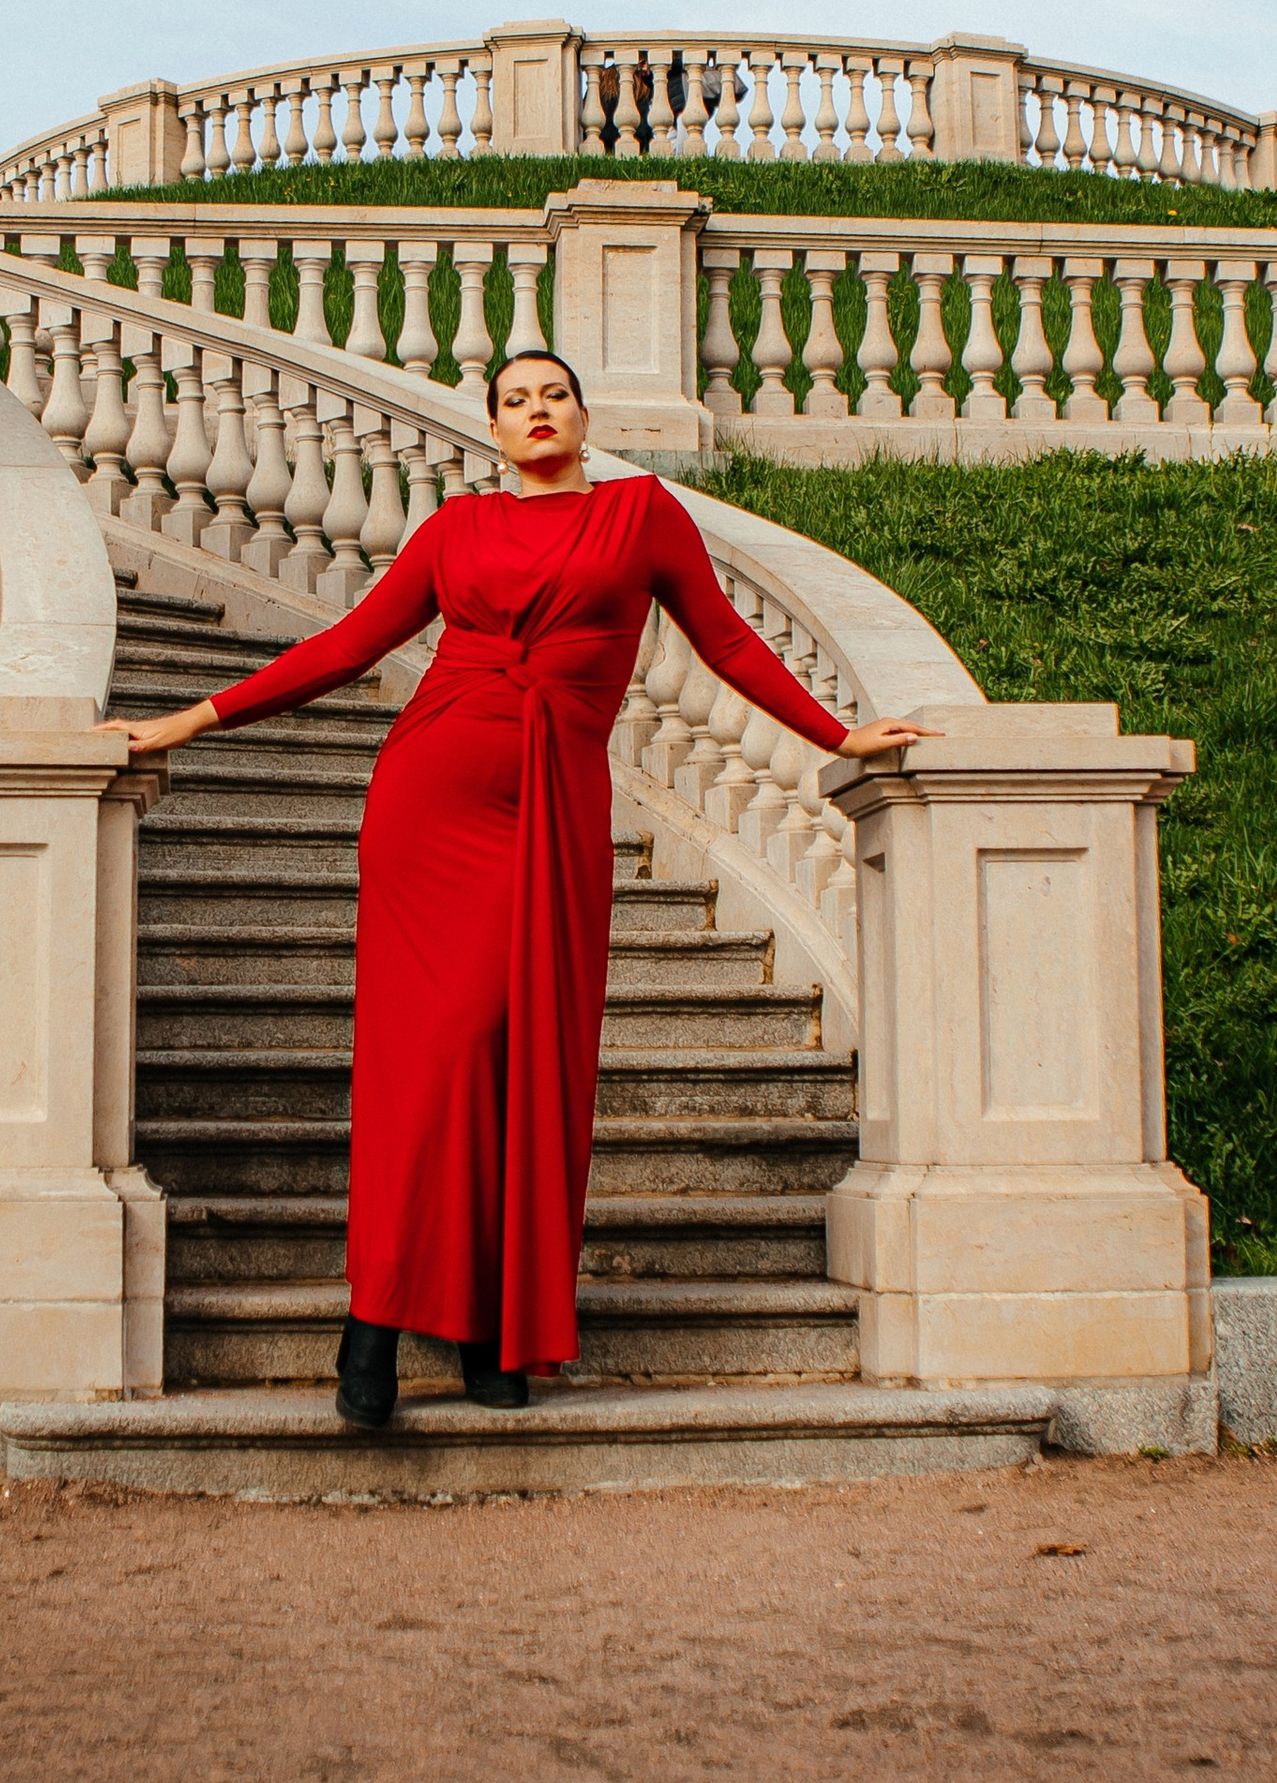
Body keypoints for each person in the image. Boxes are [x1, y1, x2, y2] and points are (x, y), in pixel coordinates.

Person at [121, 350, 925, 1424]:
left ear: (584, 417)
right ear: (494, 431)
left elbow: (727, 641)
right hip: (432, 797)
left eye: (554, 395)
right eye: (515, 401)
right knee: (430, 1060)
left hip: (554, 805)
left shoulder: (642, 516)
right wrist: (187, 720)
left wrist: (837, 735)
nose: (537, 411)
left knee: (524, 1059)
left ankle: (491, 1330)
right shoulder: (456, 530)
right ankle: (373, 1325)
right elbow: (351, 644)